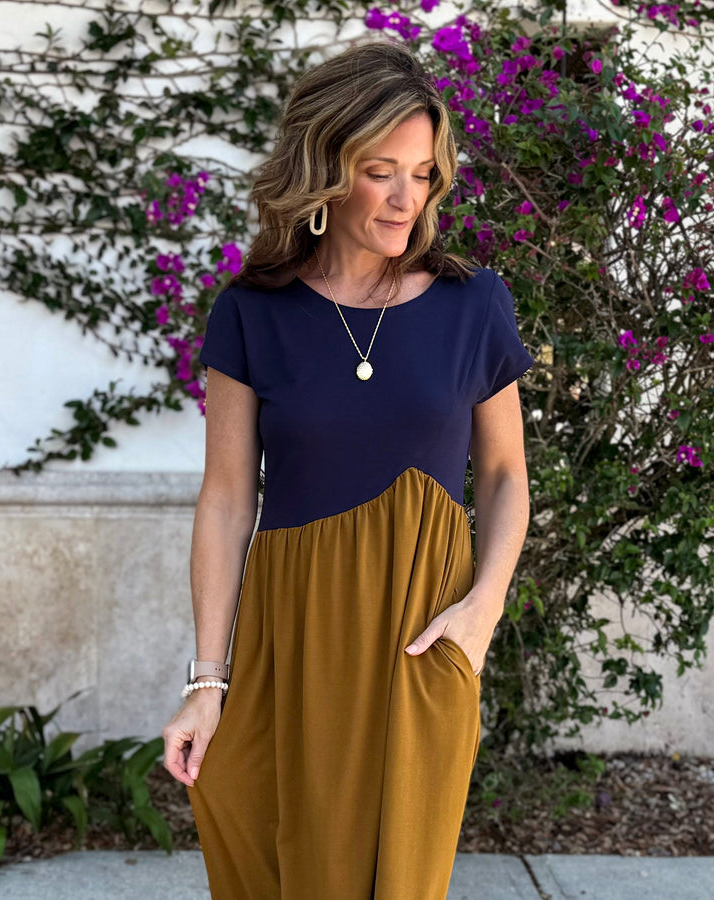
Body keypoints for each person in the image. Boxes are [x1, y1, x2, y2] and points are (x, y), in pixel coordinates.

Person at [162, 38, 533, 900]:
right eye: (380, 172)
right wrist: (207, 683)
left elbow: (505, 476)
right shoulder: (253, 313)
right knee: (271, 855)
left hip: (421, 641)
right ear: (324, 167)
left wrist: (483, 610)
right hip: (290, 648)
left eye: (424, 173)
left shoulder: (472, 304)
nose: (407, 198)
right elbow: (227, 501)